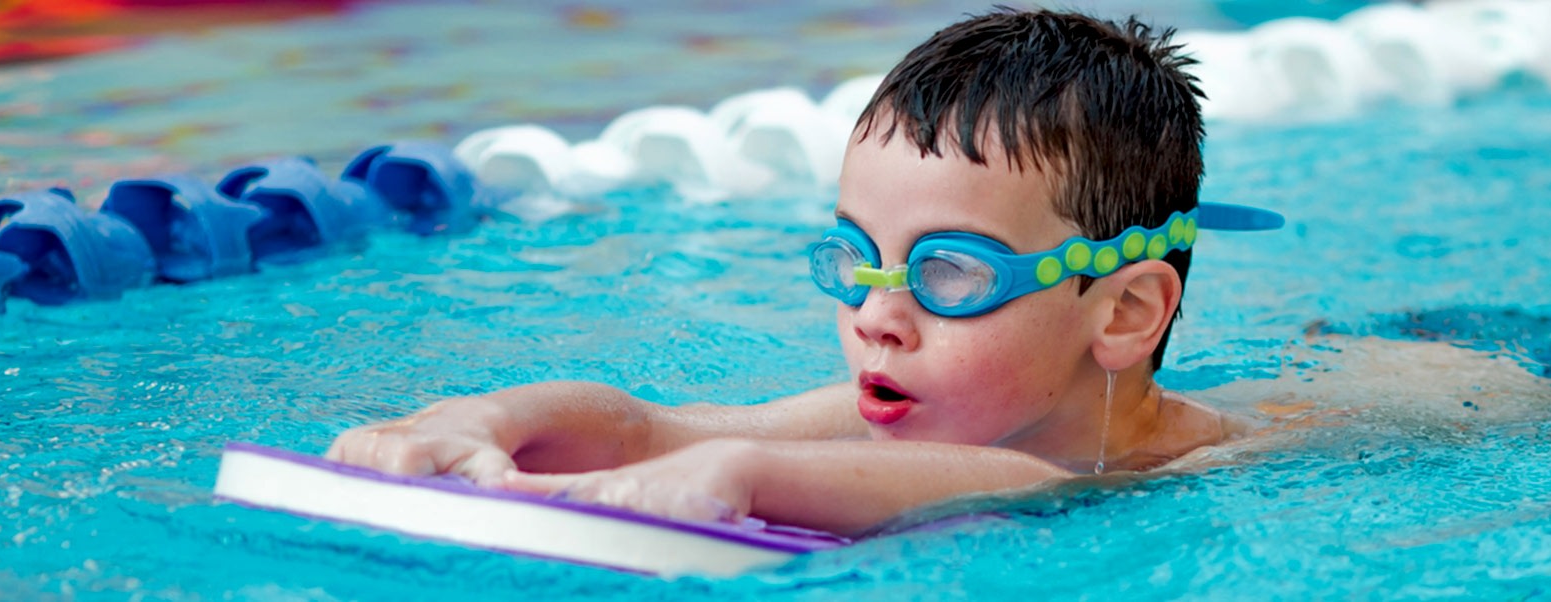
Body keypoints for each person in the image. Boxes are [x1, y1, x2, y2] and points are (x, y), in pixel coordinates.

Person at [328, 8, 1284, 537]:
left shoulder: (1150, 468)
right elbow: (659, 426)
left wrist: (747, 476)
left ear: (1122, 313)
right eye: (856, 260)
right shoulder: (907, 404)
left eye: (950, 274)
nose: (877, 316)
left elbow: (1012, 482)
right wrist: (480, 421)